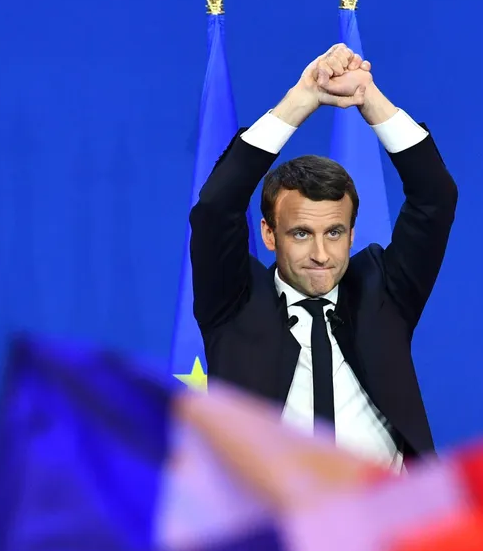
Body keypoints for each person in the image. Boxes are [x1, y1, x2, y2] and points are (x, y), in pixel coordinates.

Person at [189, 44, 458, 467]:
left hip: (383, 522)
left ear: (351, 234)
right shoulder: (233, 302)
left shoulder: (384, 292)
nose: (320, 254)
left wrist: (368, 97)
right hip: (272, 525)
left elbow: (435, 196)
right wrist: (303, 99)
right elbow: (215, 207)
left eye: (334, 233)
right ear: (268, 234)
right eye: (300, 233)